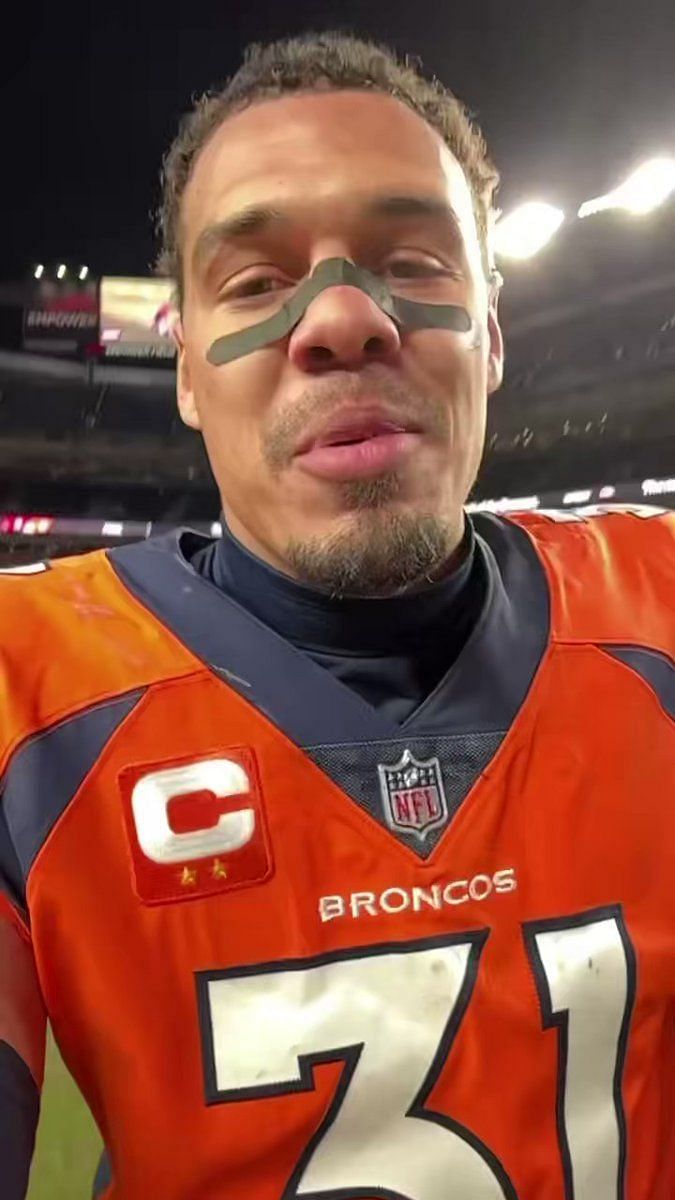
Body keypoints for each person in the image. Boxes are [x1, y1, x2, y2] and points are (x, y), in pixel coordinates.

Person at [0, 31, 673, 1200]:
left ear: (494, 335)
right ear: (189, 376)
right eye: (255, 283)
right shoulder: (26, 699)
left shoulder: (657, 615)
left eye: (414, 262)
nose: (343, 321)